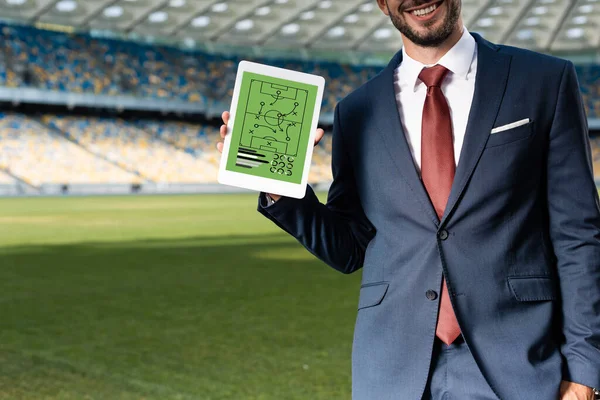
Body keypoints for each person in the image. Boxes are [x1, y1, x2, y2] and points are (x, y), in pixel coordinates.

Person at [217, 0, 600, 398]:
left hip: (519, 362)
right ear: (383, 4)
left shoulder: (543, 80)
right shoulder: (356, 111)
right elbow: (349, 248)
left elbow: (578, 235)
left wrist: (586, 367)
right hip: (392, 369)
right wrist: (278, 184)